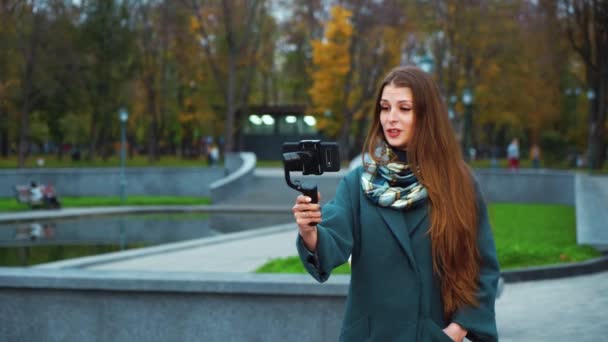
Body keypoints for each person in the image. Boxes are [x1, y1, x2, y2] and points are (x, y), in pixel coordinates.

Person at [292, 66, 500, 342]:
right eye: (385, 107)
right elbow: (331, 239)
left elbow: (482, 266)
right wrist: (309, 231)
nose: (391, 118)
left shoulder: (458, 183)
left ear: (426, 115)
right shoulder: (360, 182)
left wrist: (457, 330)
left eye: (404, 108)